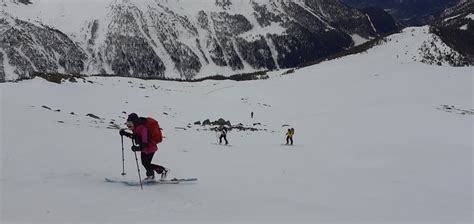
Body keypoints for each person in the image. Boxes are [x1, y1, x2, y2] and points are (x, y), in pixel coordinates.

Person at [119, 113, 168, 181]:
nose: (129, 125)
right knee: (145, 163)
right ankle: (151, 176)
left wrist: (137, 148)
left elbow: (145, 143)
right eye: (128, 123)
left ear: (135, 122)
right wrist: (124, 133)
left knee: (146, 163)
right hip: (145, 149)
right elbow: (135, 137)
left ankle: (163, 170)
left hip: (150, 148)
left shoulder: (142, 129)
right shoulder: (136, 128)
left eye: (130, 123)